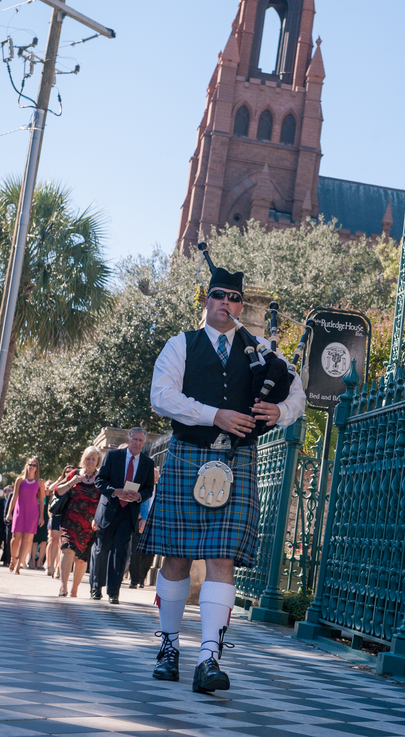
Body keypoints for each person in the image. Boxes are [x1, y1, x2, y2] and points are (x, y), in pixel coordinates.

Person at [139, 266, 306, 693]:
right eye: (218, 295)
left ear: (240, 305)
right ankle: (170, 647)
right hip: (187, 455)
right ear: (206, 301)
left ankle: (208, 657)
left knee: (222, 558)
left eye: (234, 298)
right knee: (176, 557)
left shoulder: (260, 348)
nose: (225, 303)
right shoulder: (181, 345)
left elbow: (297, 391)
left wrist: (280, 413)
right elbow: (161, 397)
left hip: (238, 461)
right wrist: (215, 415)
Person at [91, 427, 155, 603]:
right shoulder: (113, 456)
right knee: (102, 550)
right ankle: (96, 588)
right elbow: (100, 480)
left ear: (144, 443)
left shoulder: (148, 463)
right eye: (134, 439)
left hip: (129, 513)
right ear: (128, 439)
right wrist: (115, 491)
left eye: (140, 441)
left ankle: (113, 592)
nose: (137, 443)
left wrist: (140, 495)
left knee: (120, 553)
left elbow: (149, 488)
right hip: (109, 510)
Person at [55, 447, 102, 598]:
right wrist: (72, 482)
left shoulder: (101, 477)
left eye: (93, 459)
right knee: (67, 549)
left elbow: (104, 501)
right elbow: (57, 491)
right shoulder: (74, 474)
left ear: (97, 461)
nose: (90, 461)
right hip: (70, 520)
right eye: (88, 458)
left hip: (89, 524)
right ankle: (63, 588)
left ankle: (74, 590)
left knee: (81, 559)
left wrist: (98, 519)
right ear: (83, 459)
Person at [6, 458, 45, 574]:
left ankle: (18, 565)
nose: (32, 467)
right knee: (15, 538)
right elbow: (14, 497)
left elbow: (42, 501)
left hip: (33, 513)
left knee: (26, 539)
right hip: (19, 511)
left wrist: (41, 516)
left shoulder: (40, 482)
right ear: (27, 466)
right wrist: (9, 512)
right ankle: (13, 559)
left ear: (37, 468)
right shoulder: (20, 480)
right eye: (30, 464)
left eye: (34, 465)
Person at [129, 466, 160, 588]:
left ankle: (142, 579)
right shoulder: (140, 488)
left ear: (157, 479)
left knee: (149, 553)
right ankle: (134, 580)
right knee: (135, 551)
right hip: (138, 521)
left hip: (154, 524)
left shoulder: (160, 490)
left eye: (154, 477)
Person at [46, 465, 77, 577]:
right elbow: (50, 489)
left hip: (68, 513)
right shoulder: (61, 482)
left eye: (71, 471)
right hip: (57, 513)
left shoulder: (76, 483)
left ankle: (60, 567)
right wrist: (60, 480)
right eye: (66, 471)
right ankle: (50, 567)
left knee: (63, 543)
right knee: (54, 540)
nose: (68, 473)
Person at [29, 482, 50, 569]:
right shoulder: (36, 494)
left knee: (44, 541)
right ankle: (33, 560)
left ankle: (40, 562)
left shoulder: (49, 497)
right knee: (34, 541)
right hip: (35, 518)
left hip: (46, 519)